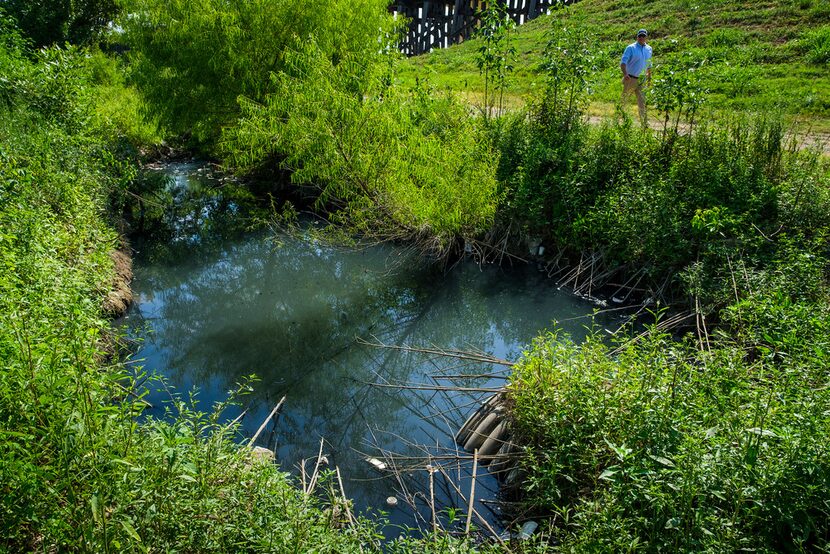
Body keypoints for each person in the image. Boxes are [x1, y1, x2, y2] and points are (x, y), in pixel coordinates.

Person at [620, 29, 653, 125]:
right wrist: (625, 74)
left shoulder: (649, 49)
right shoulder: (631, 48)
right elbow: (623, 62)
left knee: (643, 102)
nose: (641, 38)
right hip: (630, 79)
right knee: (624, 100)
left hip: (642, 80)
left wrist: (649, 79)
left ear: (646, 37)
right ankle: (620, 120)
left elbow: (649, 64)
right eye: (640, 36)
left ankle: (644, 124)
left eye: (643, 36)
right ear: (637, 37)